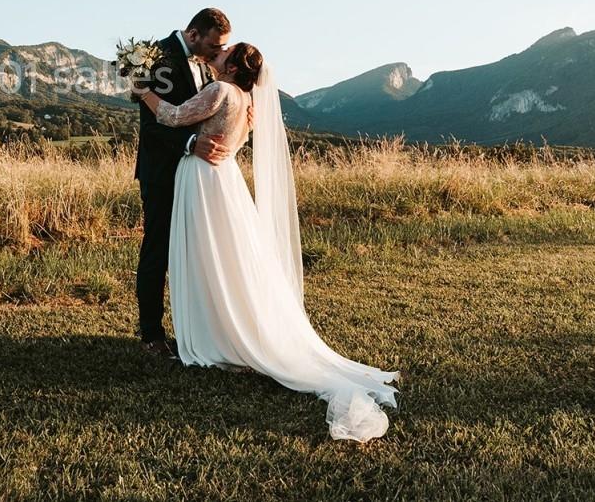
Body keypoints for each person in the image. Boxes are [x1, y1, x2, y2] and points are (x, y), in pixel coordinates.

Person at [133, 42, 400, 441]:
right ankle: (226, 327)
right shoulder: (247, 104)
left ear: (234, 64)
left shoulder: (221, 91)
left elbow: (172, 116)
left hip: (202, 180)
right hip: (224, 180)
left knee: (204, 256)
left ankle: (211, 336)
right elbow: (227, 140)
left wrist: (143, 92)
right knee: (224, 256)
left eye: (225, 52)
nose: (217, 55)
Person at [133, 8, 234, 359]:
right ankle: (151, 335)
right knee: (157, 249)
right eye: (213, 45)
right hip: (162, 172)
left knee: (194, 252)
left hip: (196, 176)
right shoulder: (158, 59)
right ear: (193, 35)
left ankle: (194, 333)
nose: (216, 53)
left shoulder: (205, 65)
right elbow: (151, 125)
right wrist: (190, 144)